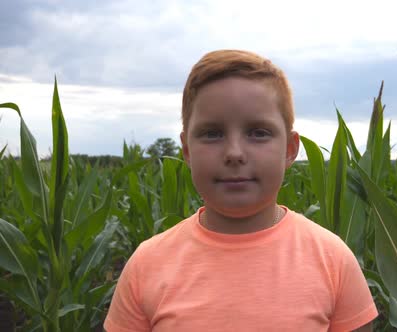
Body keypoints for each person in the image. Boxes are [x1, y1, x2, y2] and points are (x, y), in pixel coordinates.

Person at [104, 50, 378, 331]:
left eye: (258, 133)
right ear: (187, 150)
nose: (234, 153)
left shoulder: (333, 261)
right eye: (212, 133)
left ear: (290, 149)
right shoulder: (146, 266)